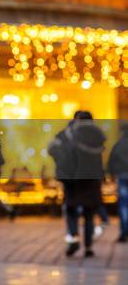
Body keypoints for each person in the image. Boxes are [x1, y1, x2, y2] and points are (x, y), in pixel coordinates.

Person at [50, 111, 105, 258]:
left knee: (71, 210)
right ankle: (88, 246)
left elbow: (52, 149)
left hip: (73, 179)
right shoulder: (97, 135)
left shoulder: (68, 133)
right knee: (89, 214)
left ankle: (73, 237)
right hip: (92, 180)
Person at [108, 122, 128, 243]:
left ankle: (124, 231)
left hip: (122, 177)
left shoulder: (118, 144)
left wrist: (111, 174)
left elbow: (111, 161)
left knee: (124, 205)